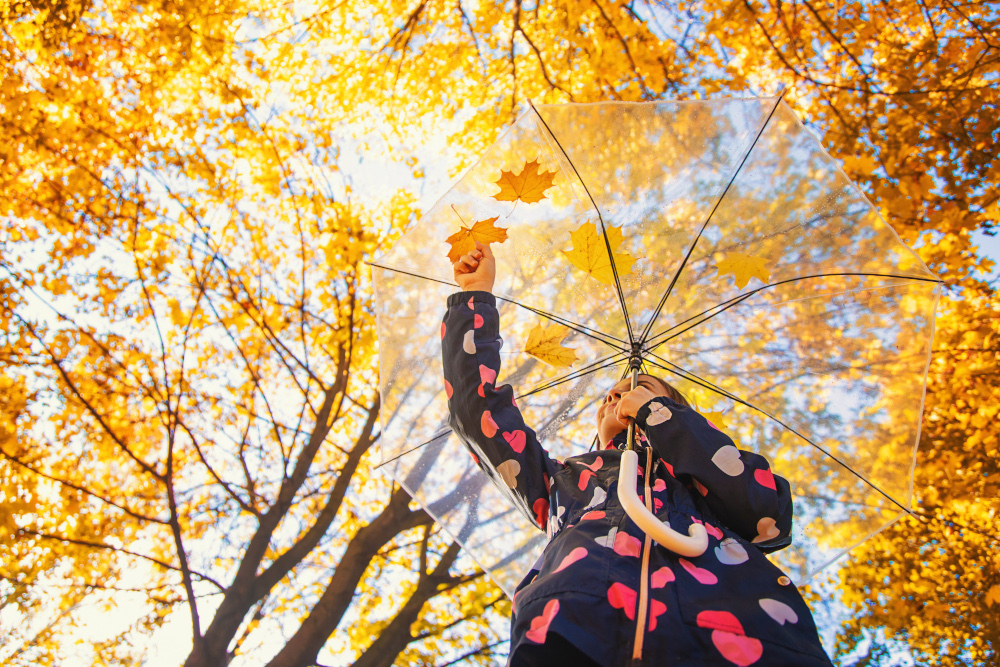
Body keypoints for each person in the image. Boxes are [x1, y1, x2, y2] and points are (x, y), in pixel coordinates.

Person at [441, 241, 834, 667]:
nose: (618, 394)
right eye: (612, 393)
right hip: (576, 627)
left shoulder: (709, 469)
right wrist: (474, 299)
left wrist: (655, 415)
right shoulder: (562, 482)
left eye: (642, 388)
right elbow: (474, 409)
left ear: (676, 411)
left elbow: (769, 518)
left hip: (740, 636)